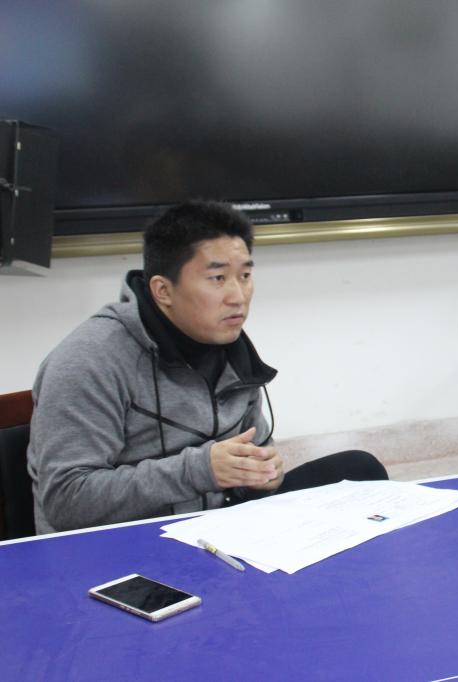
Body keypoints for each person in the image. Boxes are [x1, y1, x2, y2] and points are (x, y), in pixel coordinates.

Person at [28, 201, 386, 534]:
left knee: (358, 471)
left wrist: (263, 472)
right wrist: (200, 469)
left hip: (219, 526)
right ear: (163, 290)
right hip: (129, 542)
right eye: (218, 278)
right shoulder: (89, 360)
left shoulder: (227, 342)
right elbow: (65, 501)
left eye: (244, 276)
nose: (238, 296)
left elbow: (251, 457)